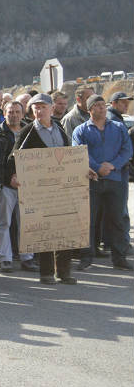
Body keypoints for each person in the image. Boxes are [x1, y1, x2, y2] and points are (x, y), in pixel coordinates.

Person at [8, 93, 78, 285]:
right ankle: (47, 272)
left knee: (64, 229)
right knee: (45, 231)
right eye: (35, 107)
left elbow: (70, 156)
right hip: (41, 191)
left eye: (43, 107)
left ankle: (64, 272)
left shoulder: (60, 128)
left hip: (62, 188)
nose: (39, 111)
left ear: (51, 107)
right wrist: (14, 175)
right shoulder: (27, 131)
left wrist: (83, 169)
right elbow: (13, 158)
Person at [72, 95, 133, 271]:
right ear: (90, 110)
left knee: (117, 220)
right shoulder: (81, 130)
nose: (102, 108)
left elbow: (127, 149)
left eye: (103, 105)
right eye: (97, 106)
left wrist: (113, 165)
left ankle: (119, 257)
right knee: (88, 220)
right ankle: (86, 257)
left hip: (116, 180)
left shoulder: (119, 128)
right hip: (92, 181)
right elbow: (79, 151)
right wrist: (98, 167)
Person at [0, 101, 33, 272]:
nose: (14, 115)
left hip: (27, 186)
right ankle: (5, 258)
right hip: (5, 186)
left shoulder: (30, 132)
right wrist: (8, 179)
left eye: (17, 112)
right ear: (4, 113)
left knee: (26, 223)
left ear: (22, 114)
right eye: (10, 112)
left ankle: (27, 258)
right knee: (3, 222)